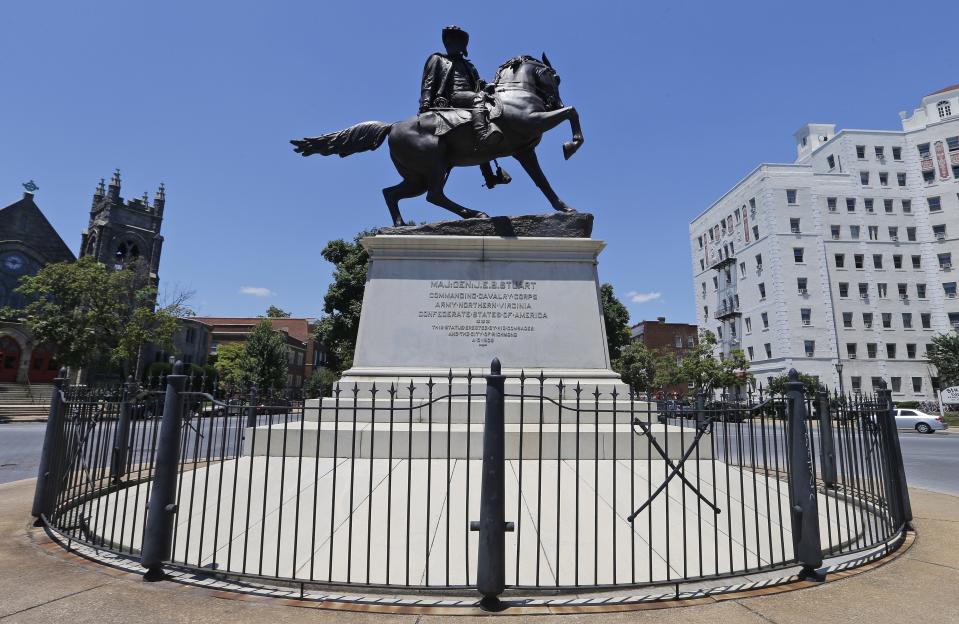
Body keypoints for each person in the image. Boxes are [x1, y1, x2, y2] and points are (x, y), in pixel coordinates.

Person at [419, 25, 510, 189]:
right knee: (479, 99)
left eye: (456, 40)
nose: (451, 43)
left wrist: (484, 86)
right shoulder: (438, 59)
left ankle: (489, 176)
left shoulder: (469, 66)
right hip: (452, 98)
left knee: (489, 105)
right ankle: (483, 135)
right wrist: (425, 105)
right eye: (449, 40)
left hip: (471, 98)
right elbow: (429, 82)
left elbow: (477, 86)